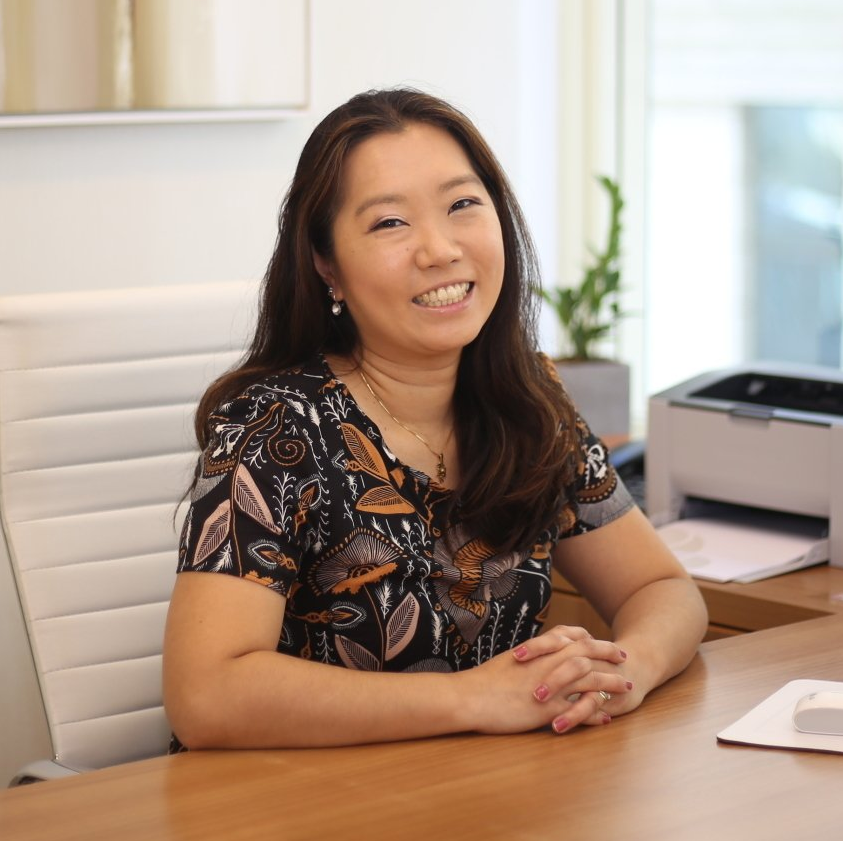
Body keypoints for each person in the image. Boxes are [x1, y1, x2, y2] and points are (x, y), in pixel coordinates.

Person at [163, 88, 707, 750]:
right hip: (304, 802)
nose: (440, 248)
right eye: (390, 223)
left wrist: (623, 672)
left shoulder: (528, 401)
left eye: (462, 205)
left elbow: (660, 588)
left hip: (486, 794)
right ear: (326, 265)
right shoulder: (275, 428)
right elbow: (206, 694)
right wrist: (473, 697)